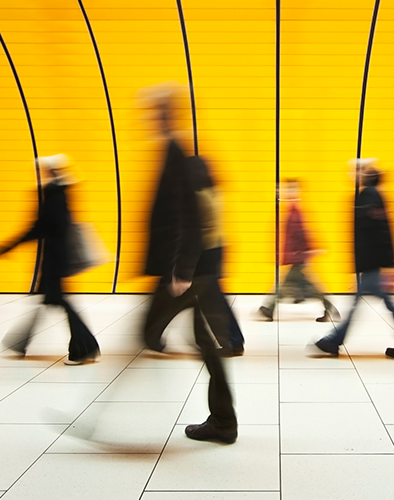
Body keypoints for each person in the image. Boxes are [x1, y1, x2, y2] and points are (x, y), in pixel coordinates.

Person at [140, 82, 238, 443]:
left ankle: (224, 422)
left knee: (152, 333)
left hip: (190, 270)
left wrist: (181, 271)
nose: (147, 118)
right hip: (195, 268)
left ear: (166, 114)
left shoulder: (180, 156)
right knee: (205, 343)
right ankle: (223, 422)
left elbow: (194, 221)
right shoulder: (181, 154)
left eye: (153, 112)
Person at [0, 154, 100, 366]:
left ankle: (84, 347)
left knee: (58, 300)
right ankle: (18, 343)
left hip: (54, 259)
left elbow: (41, 226)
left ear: (49, 171)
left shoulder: (52, 193)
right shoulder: (61, 190)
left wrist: (8, 246)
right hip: (57, 257)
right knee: (47, 299)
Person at [313, 160, 394, 360]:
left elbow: (373, 234)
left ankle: (333, 342)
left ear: (364, 174)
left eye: (355, 170)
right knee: (380, 303)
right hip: (373, 263)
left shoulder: (368, 196)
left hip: (372, 264)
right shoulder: (370, 195)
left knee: (359, 305)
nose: (351, 174)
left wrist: (370, 267)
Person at [259, 178, 340, 323]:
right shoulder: (292, 210)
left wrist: (308, 251)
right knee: (306, 285)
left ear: (297, 192)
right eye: (286, 189)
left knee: (285, 285)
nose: (286, 192)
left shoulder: (295, 212)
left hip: (298, 257)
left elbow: (302, 235)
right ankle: (330, 308)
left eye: (291, 189)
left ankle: (269, 308)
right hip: (297, 256)